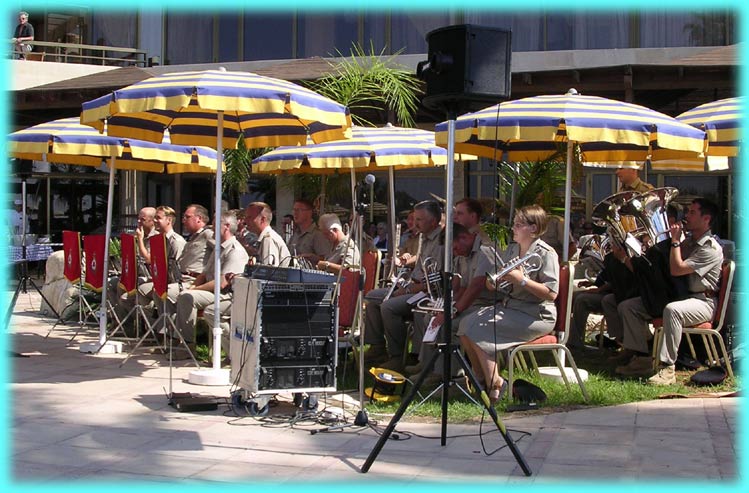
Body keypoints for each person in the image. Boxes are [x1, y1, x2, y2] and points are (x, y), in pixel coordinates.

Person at [614, 198, 723, 385]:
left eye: (692, 213)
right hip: (680, 296)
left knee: (673, 310)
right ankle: (642, 357)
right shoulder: (687, 242)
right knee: (629, 306)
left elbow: (677, 269)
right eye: (687, 212)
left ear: (706, 219)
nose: (686, 216)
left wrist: (673, 242)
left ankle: (667, 368)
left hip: (702, 301)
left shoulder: (710, 248)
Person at [459, 204, 559, 403]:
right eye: (514, 224)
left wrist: (522, 280)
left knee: (478, 329)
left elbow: (551, 293)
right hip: (511, 307)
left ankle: (496, 386)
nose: (513, 228)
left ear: (533, 228)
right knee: (465, 325)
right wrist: (495, 282)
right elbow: (495, 285)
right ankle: (483, 381)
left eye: (519, 225)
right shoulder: (513, 250)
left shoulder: (546, 253)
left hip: (536, 314)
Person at [407, 223, 497, 387]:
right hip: (473, 303)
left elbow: (475, 287)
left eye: (455, 248)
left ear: (463, 237)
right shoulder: (463, 254)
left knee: (450, 324)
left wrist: (452, 311)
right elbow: (461, 287)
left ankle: (454, 377)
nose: (455, 253)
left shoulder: (485, 251)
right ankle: (433, 369)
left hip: (487, 304)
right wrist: (444, 307)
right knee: (431, 318)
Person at [362, 200, 444, 372]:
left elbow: (431, 280)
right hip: (412, 285)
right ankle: (377, 347)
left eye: (420, 219)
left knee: (389, 307)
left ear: (434, 221)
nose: (415, 223)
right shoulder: (424, 237)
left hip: (428, 293)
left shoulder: (441, 241)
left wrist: (406, 290)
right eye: (415, 219)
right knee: (371, 297)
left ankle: (397, 356)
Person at [175, 210, 249, 350]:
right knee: (177, 294)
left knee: (187, 297)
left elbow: (222, 283)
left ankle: (188, 345)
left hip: (226, 294)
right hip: (212, 290)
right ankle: (173, 337)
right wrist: (192, 286)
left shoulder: (235, 251)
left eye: (215, 224)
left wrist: (194, 290)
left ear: (226, 226)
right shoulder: (218, 248)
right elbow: (204, 274)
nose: (211, 227)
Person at [245, 201, 291, 267]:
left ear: (262, 219)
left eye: (250, 217)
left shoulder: (268, 239)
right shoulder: (266, 237)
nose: (245, 221)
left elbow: (268, 271)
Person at [287, 199, 330, 265]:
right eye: (294, 210)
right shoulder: (295, 234)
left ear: (309, 212)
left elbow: (327, 259)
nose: (295, 213)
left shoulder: (317, 235)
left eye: (298, 210)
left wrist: (312, 257)